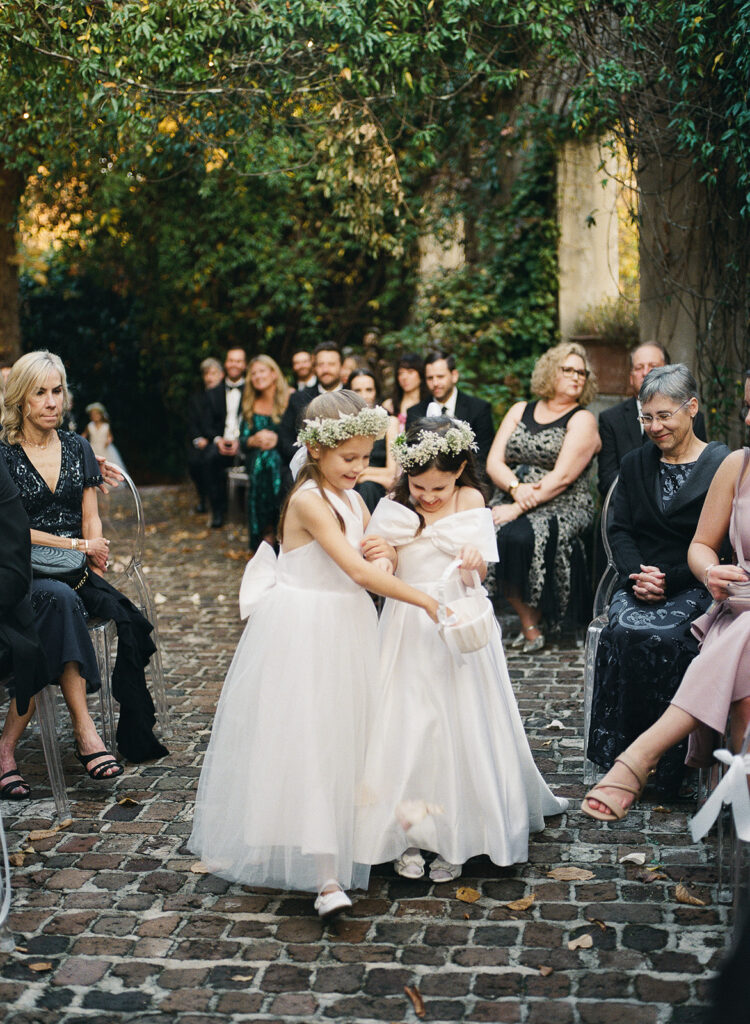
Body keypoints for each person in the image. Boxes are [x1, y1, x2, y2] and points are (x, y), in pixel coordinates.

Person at [189, 391, 444, 918]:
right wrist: (424, 599)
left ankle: (359, 838)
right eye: (348, 457)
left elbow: (372, 552)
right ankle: (326, 876)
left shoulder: (353, 498)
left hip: (348, 624)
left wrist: (389, 552)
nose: (359, 467)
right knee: (312, 740)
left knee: (352, 734)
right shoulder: (309, 500)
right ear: (316, 450)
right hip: (306, 630)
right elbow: (355, 570)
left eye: (366, 456)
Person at [354, 418, 568, 882]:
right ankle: (408, 835)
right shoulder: (391, 505)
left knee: (461, 726)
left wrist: (473, 561)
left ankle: (459, 832)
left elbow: (480, 572)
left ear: (460, 472)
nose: (429, 497)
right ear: (404, 476)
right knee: (408, 729)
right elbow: (386, 560)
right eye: (419, 487)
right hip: (409, 623)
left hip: (460, 622)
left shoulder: (472, 500)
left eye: (439, 487)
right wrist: (385, 554)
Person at [582, 374, 750, 821]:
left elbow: (721, 545)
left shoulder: (720, 463)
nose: (655, 426)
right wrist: (638, 574)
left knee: (676, 637)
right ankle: (619, 752)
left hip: (695, 585)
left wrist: (671, 579)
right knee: (623, 630)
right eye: (646, 418)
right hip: (641, 580)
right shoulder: (636, 464)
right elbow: (618, 528)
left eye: (664, 415)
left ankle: (670, 769)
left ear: (691, 408)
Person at [0, 352, 168, 797]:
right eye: (40, 392)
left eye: (57, 391)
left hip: (72, 573)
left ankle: (7, 749)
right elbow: (13, 532)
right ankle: (84, 729)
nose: (52, 401)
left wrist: (95, 549)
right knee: (58, 602)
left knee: (92, 610)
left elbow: (88, 514)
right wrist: (78, 545)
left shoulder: (76, 447)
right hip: (18, 572)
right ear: (19, 398)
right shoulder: (3, 454)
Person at [486, 342, 601, 651]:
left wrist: (517, 507)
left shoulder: (582, 420)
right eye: (569, 370)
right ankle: (519, 618)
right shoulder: (519, 410)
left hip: (564, 503)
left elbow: (562, 478)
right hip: (513, 495)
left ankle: (530, 623)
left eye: (582, 372)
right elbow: (494, 461)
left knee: (519, 537)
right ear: (551, 371)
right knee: (485, 531)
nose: (577, 377)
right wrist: (514, 490)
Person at [597, 342, 707, 497]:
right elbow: (607, 479)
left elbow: (698, 472)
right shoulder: (611, 419)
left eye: (653, 366)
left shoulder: (690, 416)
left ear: (669, 371)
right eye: (639, 367)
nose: (646, 372)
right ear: (631, 377)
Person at [406, 352, 494, 465]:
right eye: (430, 378)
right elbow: (412, 456)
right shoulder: (415, 412)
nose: (435, 383)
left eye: (440, 376)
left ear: (454, 376)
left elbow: (483, 457)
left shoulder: (479, 409)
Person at [239, 355, 290, 550]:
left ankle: (272, 528)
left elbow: (297, 435)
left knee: (271, 459)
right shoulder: (249, 403)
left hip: (283, 455)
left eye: (262, 371)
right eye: (253, 373)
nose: (258, 376)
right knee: (264, 460)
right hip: (256, 456)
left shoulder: (289, 398)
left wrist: (277, 441)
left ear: (274, 373)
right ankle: (267, 529)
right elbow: (243, 442)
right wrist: (253, 439)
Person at [277, 343, 344, 466]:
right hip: (307, 466)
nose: (326, 370)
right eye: (321, 364)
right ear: (314, 367)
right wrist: (309, 459)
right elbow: (285, 439)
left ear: (341, 366)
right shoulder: (298, 398)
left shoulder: (352, 397)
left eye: (331, 364)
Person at [203, 347, 248, 528]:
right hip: (221, 441)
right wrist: (218, 440)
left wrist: (242, 442)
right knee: (209, 458)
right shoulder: (213, 392)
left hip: (245, 442)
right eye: (231, 360)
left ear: (244, 365)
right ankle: (218, 511)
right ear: (226, 364)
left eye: (238, 361)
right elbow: (207, 424)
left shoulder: (254, 390)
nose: (234, 364)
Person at [348, 369, 398, 513]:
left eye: (369, 390)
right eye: (357, 391)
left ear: (376, 392)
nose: (364, 396)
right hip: (348, 485)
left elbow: (392, 473)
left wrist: (361, 475)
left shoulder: (390, 422)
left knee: (367, 487)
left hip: (378, 488)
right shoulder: (343, 424)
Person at [187, 357, 225, 514]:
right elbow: (192, 422)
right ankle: (203, 498)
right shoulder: (196, 398)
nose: (209, 377)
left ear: (221, 375)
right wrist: (198, 439)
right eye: (206, 374)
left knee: (211, 459)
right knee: (194, 461)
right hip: (202, 440)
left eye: (213, 373)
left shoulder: (227, 394)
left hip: (221, 440)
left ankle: (218, 504)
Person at [382, 353, 431, 432]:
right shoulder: (389, 405)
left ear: (421, 374)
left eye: (410, 372)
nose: (404, 377)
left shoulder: (429, 403)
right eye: (401, 373)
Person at [82, 402, 126, 470]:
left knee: (107, 466)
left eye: (97, 414)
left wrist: (108, 440)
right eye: (92, 415)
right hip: (93, 448)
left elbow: (110, 436)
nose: (95, 416)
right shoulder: (90, 425)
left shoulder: (106, 426)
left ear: (101, 415)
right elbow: (84, 434)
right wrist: (82, 441)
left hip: (104, 448)